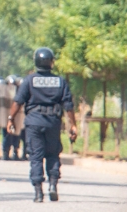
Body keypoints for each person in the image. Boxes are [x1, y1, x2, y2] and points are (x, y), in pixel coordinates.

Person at [9, 48, 78, 202]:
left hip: (33, 122)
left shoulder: (29, 80)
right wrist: (73, 125)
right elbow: (68, 106)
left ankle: (38, 193)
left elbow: (18, 102)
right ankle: (53, 185)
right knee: (53, 154)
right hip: (53, 122)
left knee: (36, 156)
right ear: (51, 62)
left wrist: (10, 119)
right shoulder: (60, 81)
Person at [2, 75, 26, 160]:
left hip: (18, 116)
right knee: (7, 135)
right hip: (7, 116)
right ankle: (5, 153)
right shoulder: (4, 92)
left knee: (17, 135)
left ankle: (15, 152)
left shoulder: (20, 93)